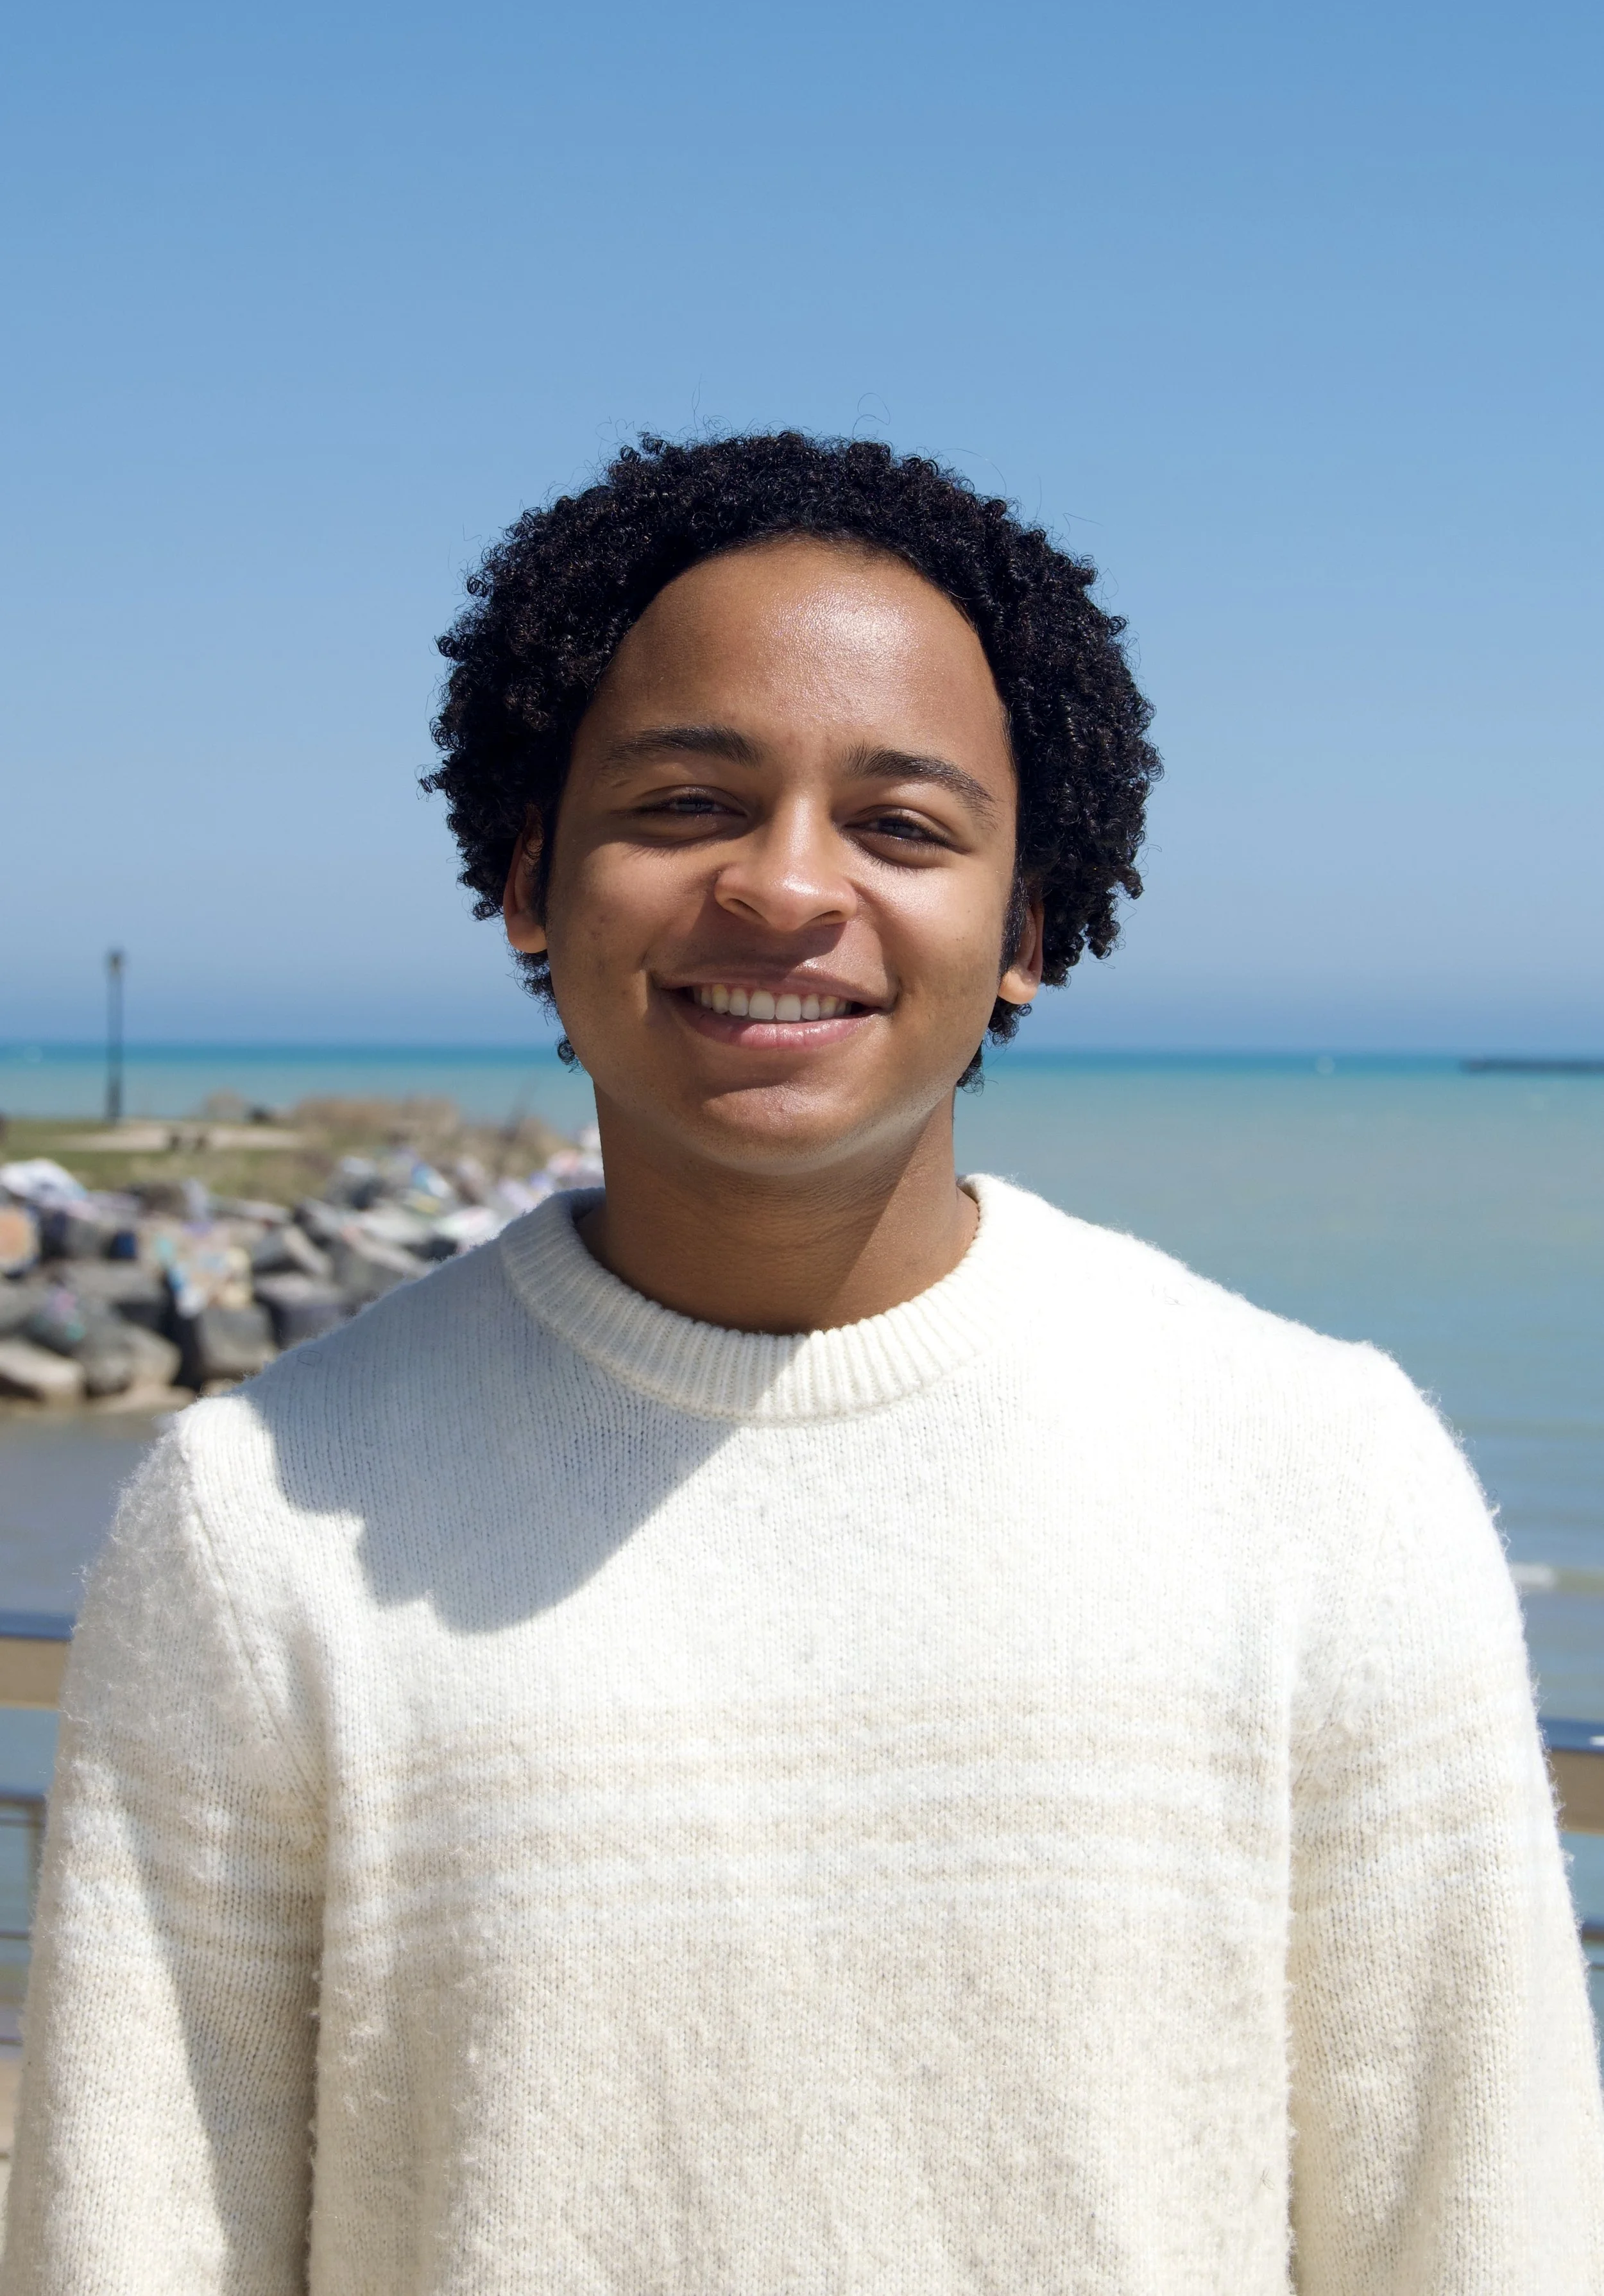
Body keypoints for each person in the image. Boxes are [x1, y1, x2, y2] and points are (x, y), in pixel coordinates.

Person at [4, 433, 1600, 2294]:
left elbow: (1478, 2223)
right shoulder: (258, 1524)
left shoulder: (1320, 1475)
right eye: (686, 801)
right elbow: (133, 2239)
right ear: (529, 882)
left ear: (1024, 932)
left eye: (902, 826)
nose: (783, 888)